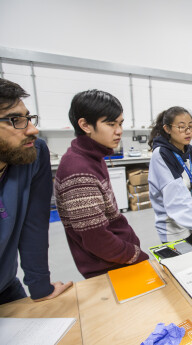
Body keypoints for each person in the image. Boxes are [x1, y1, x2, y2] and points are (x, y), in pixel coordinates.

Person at [0, 76, 72, 309]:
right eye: (14, 120)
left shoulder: (33, 154)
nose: (32, 129)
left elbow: (33, 223)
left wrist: (40, 286)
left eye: (28, 118)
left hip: (3, 288)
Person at [55, 89, 148, 279]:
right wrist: (136, 256)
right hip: (109, 268)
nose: (119, 131)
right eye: (111, 124)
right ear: (85, 125)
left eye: (120, 123)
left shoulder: (93, 156)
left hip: (118, 260)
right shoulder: (78, 170)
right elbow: (97, 240)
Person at [148, 106, 192, 247]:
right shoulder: (161, 154)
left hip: (190, 221)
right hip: (172, 228)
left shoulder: (189, 150)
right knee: (178, 265)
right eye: (182, 127)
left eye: (190, 126)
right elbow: (176, 197)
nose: (188, 131)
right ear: (167, 129)